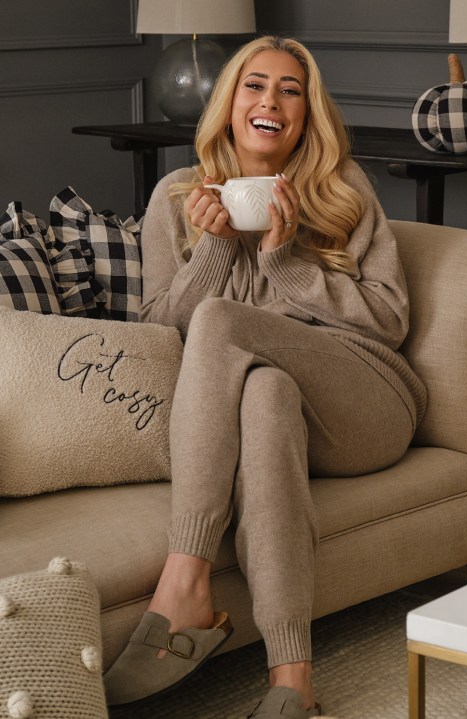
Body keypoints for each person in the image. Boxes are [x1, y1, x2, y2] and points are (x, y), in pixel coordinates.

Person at [102, 35, 426, 719]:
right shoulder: (175, 199)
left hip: (366, 399)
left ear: (306, 115)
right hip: (278, 407)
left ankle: (184, 583)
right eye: (255, 84)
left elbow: (390, 319)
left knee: (224, 322)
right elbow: (163, 331)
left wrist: (286, 261)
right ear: (229, 102)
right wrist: (217, 246)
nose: (270, 101)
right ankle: (292, 680)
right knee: (264, 389)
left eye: (290, 89)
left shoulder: (342, 190)